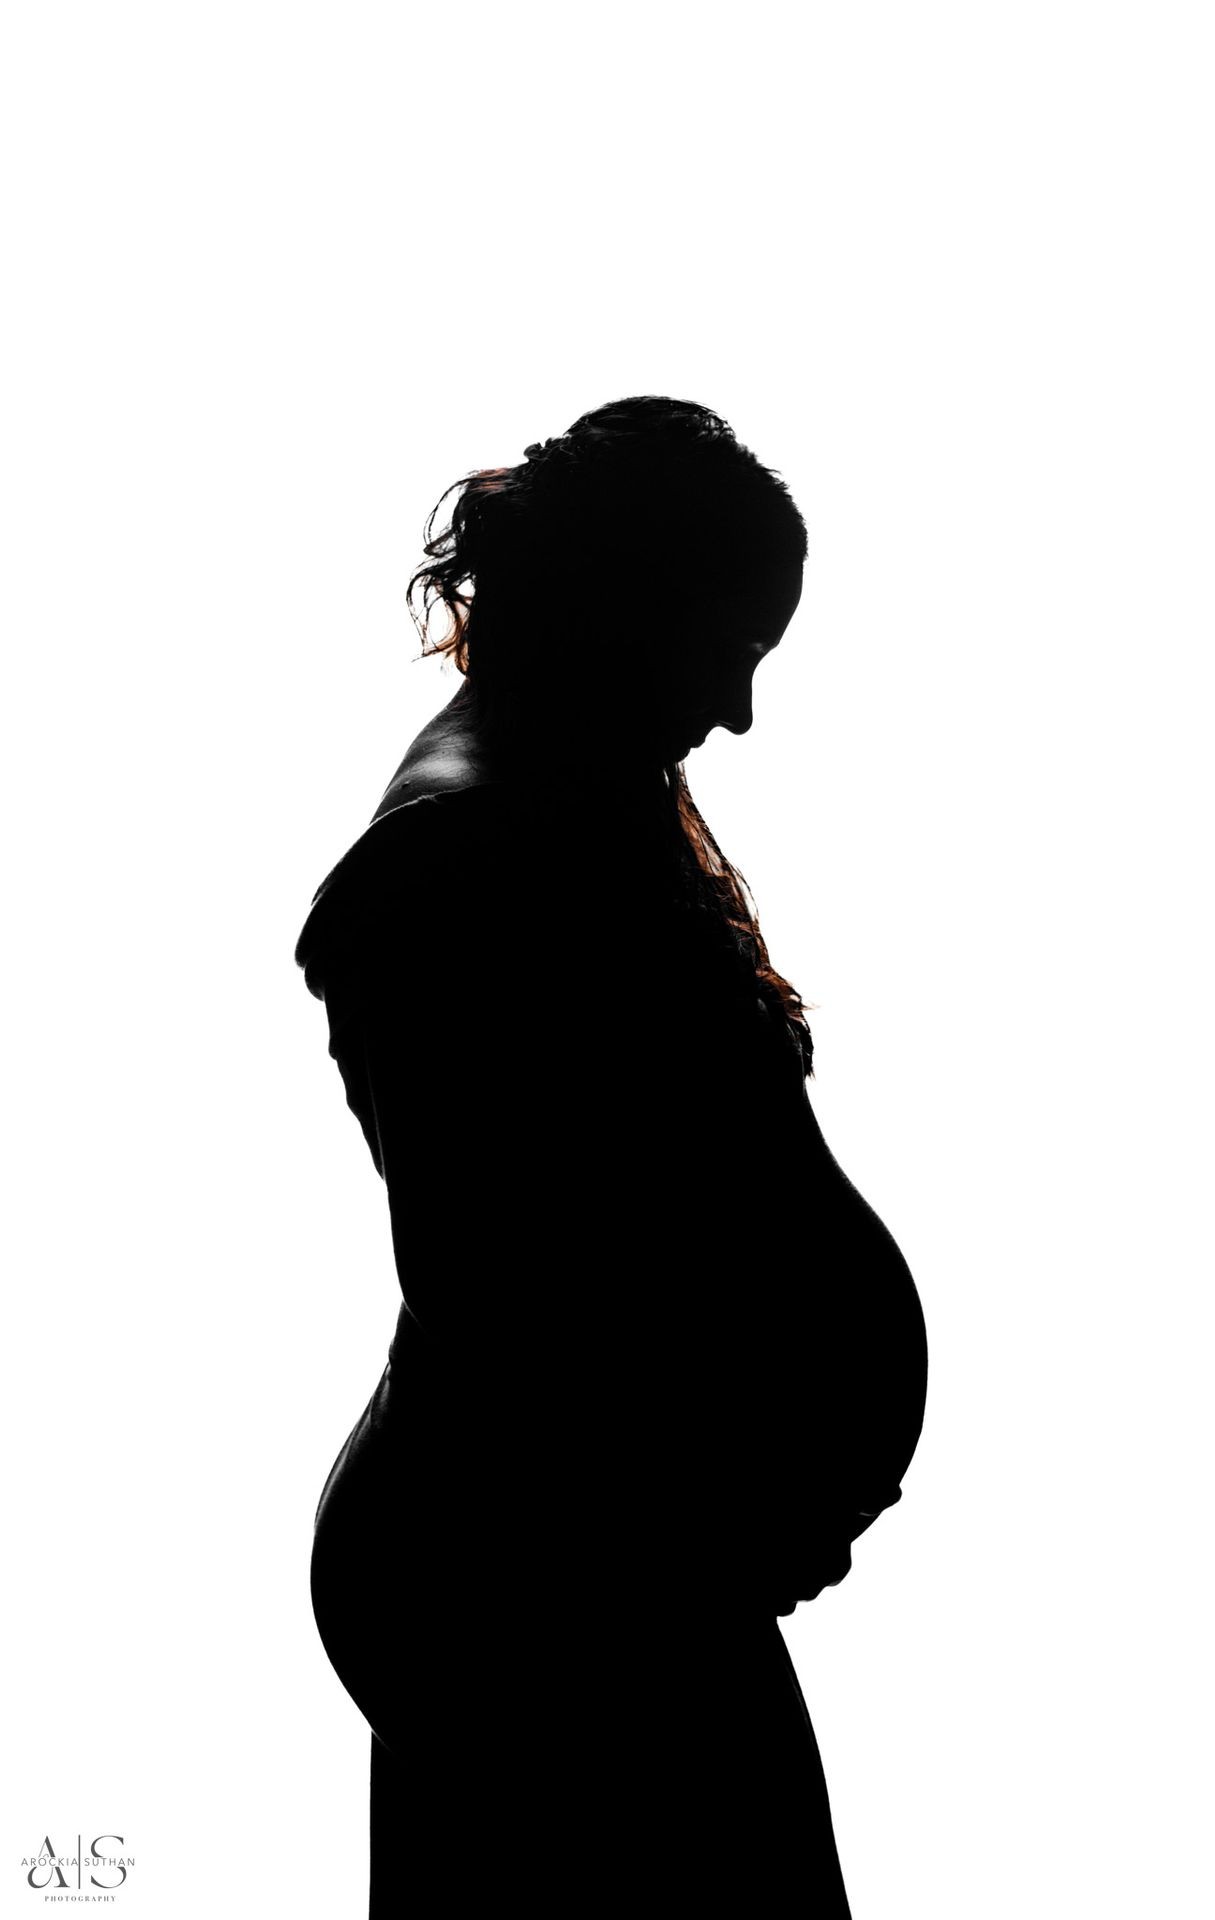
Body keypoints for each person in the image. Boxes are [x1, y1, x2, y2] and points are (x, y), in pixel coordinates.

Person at [294, 395, 928, 1916]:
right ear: (622, 611)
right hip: (541, 1587)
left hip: (619, 1557)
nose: (739, 710)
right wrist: (737, 1502)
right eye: (734, 650)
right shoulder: (451, 861)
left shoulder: (576, 791)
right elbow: (500, 1292)